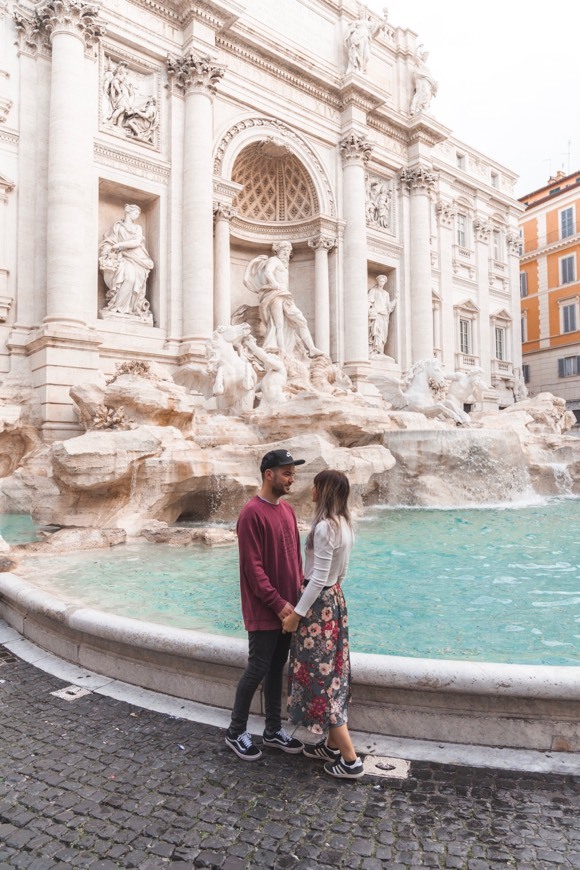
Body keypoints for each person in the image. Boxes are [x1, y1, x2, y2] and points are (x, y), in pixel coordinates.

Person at [224, 449, 306, 761]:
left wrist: (297, 600)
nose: (291, 478)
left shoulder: (287, 511)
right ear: (268, 474)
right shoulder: (250, 514)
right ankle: (235, 731)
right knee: (257, 668)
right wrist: (277, 602)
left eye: (292, 472)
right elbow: (253, 569)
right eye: (286, 472)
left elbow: (295, 560)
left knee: (276, 669)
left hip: (288, 610)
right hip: (265, 610)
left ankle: (272, 730)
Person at [282, 470, 362, 780]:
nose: (311, 490)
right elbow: (340, 574)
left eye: (316, 486)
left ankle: (350, 759)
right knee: (334, 672)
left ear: (324, 491)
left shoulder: (325, 528)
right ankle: (329, 747)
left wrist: (297, 615)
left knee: (321, 679)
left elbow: (316, 578)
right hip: (335, 602)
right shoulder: (345, 525)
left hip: (317, 610)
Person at [243, 241, 324, 359]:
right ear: (278, 250)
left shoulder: (284, 264)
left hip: (285, 296)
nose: (286, 253)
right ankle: (282, 350)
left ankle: (311, 349)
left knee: (301, 321)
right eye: (284, 250)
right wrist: (275, 284)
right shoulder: (274, 260)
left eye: (288, 251)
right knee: (278, 324)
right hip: (275, 294)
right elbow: (268, 272)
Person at [98, 204, 154, 321]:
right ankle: (117, 307)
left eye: (138, 214)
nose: (137, 216)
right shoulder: (118, 226)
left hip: (137, 257)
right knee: (128, 278)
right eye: (135, 213)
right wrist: (107, 252)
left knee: (133, 280)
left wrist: (119, 245)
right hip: (122, 257)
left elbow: (137, 242)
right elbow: (110, 241)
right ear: (129, 212)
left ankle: (131, 308)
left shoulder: (137, 227)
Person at [368, 275, 397, 356]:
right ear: (378, 281)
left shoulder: (386, 293)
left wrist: (395, 298)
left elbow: (389, 307)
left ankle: (381, 352)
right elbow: (369, 301)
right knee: (377, 333)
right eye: (380, 281)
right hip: (377, 315)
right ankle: (375, 351)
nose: (382, 282)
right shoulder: (373, 291)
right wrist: (370, 311)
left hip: (385, 316)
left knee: (383, 334)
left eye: (383, 281)